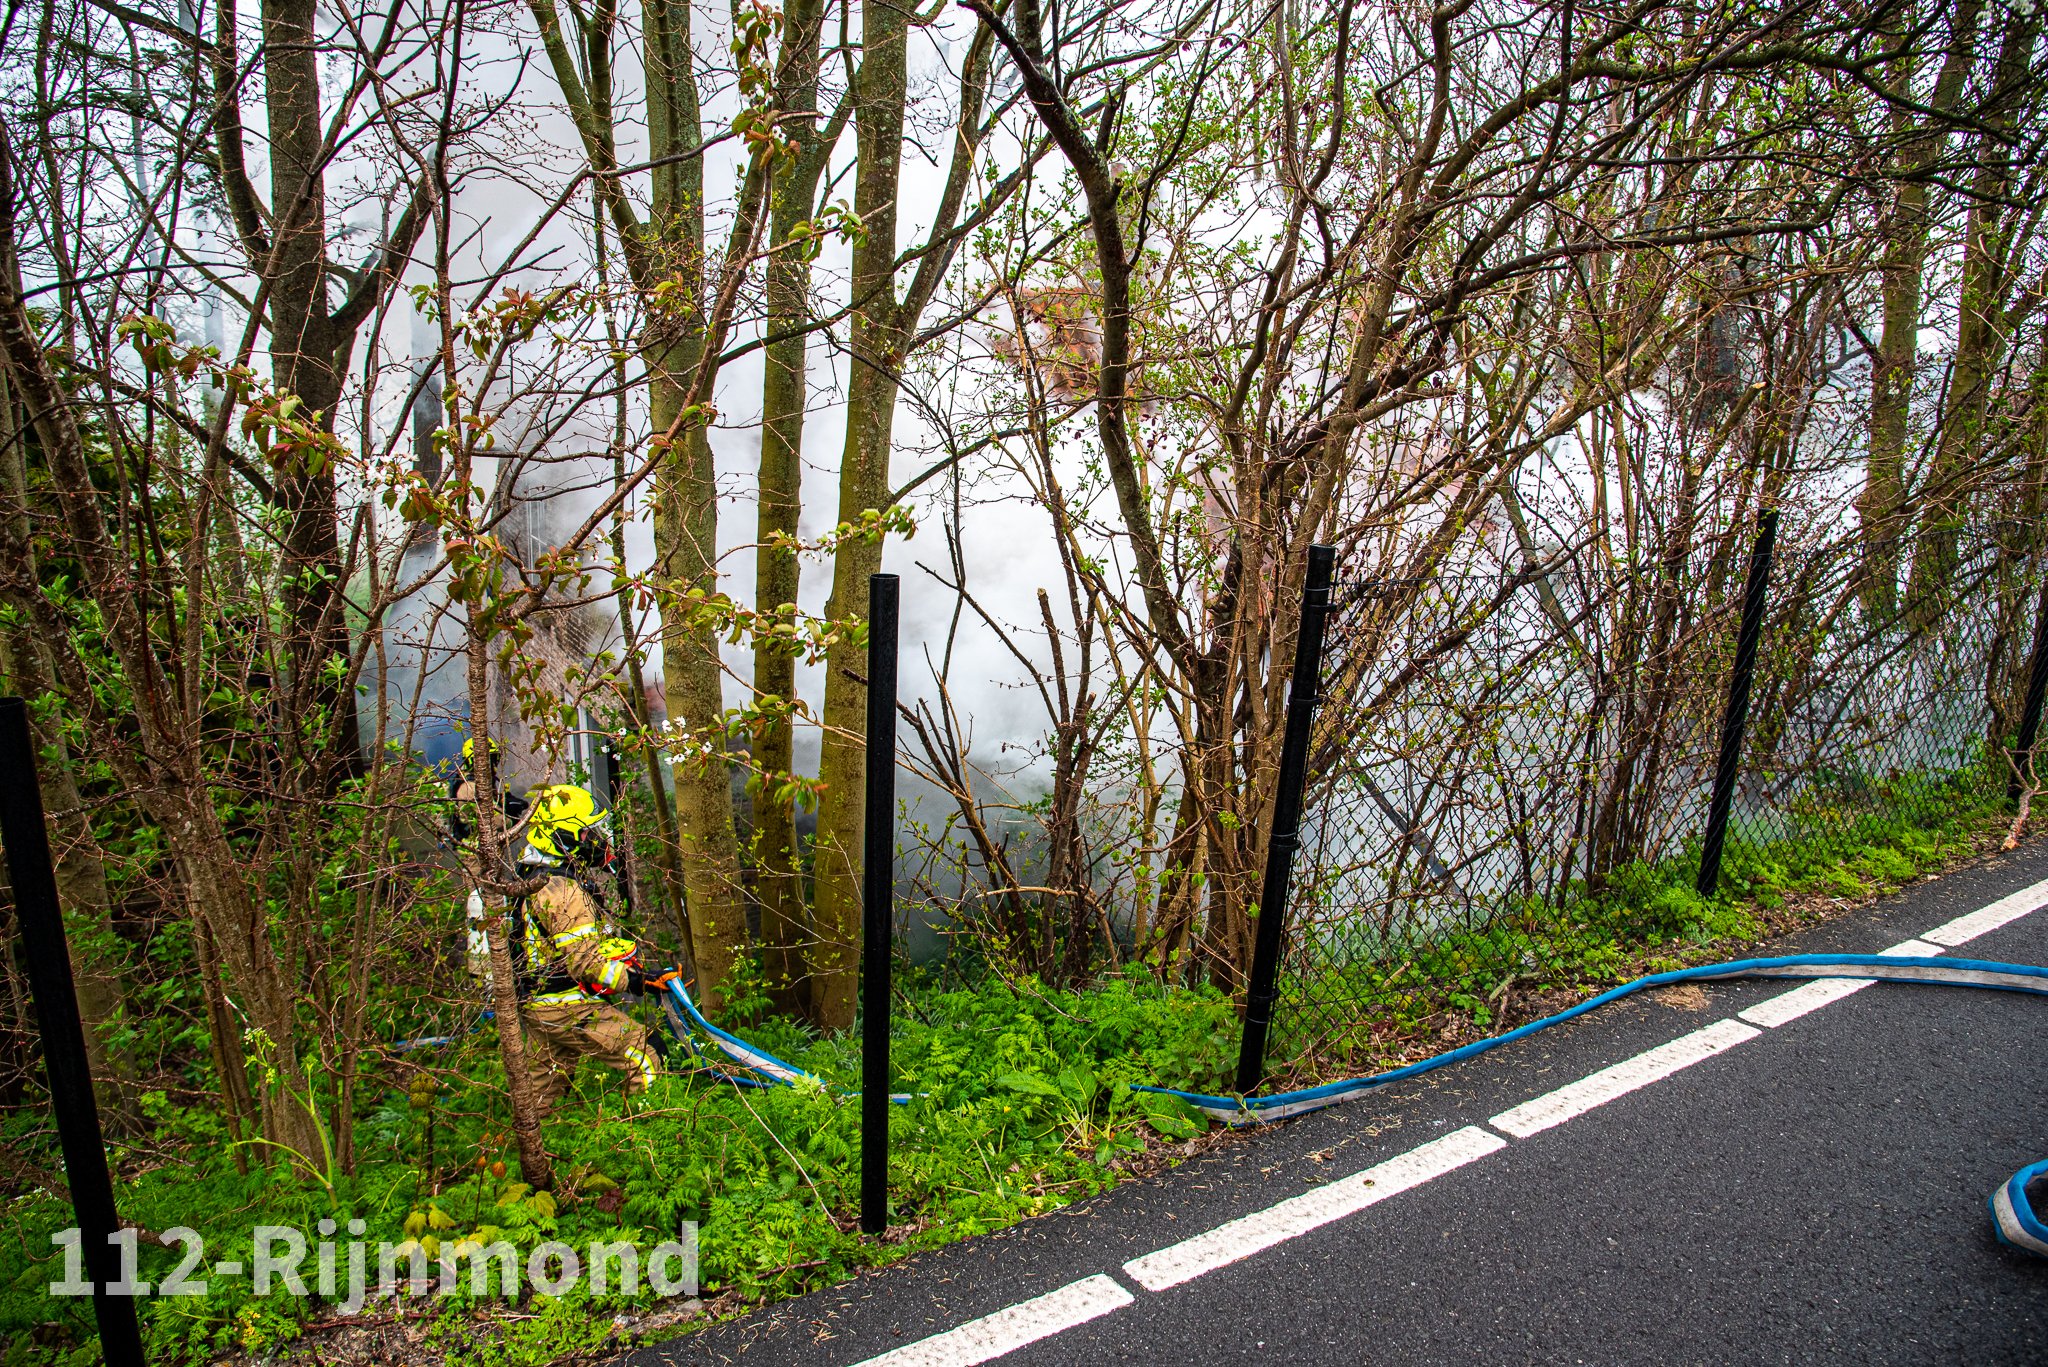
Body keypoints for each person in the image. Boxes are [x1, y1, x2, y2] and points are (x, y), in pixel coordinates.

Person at [513, 784, 660, 1100]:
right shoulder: (563, 891)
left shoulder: (531, 874)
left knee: (545, 1096)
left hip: (536, 1004)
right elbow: (585, 963)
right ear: (562, 836)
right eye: (585, 833)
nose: (594, 840)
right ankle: (650, 1125)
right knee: (644, 1052)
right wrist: (636, 981)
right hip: (563, 1005)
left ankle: (540, 1133)